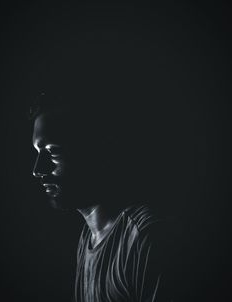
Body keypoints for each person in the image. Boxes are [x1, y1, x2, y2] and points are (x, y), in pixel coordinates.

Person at [30, 93, 180, 301]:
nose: (38, 169)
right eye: (37, 152)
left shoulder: (146, 238)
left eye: (53, 151)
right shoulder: (88, 238)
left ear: (95, 150)